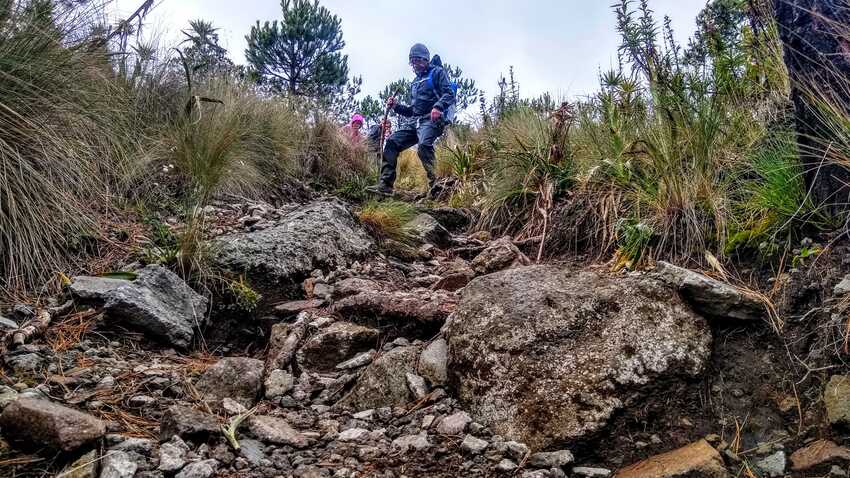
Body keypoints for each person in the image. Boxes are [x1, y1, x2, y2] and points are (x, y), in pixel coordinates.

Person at [366, 43, 456, 197]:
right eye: (412, 61)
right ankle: (385, 185)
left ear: (426, 59)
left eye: (418, 60)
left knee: (424, 145)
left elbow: (449, 94)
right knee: (392, 142)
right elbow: (412, 111)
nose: (415, 64)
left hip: (432, 119)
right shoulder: (414, 82)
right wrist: (396, 106)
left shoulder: (437, 73)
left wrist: (438, 107)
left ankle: (437, 184)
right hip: (415, 121)